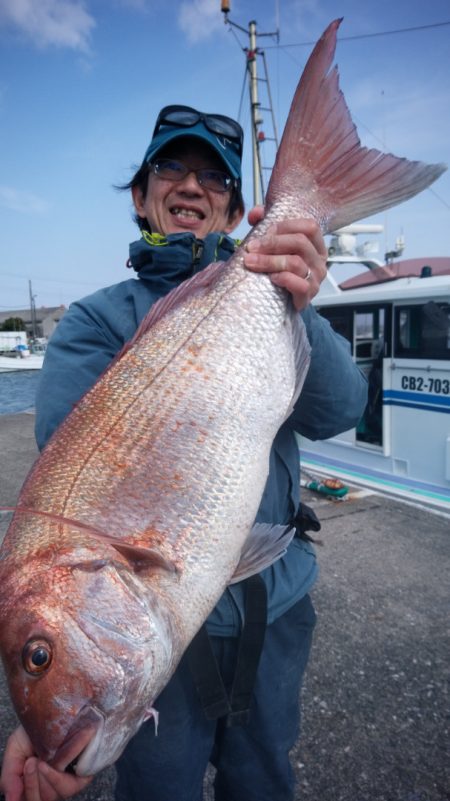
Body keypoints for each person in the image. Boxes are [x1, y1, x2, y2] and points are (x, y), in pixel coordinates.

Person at [0, 105, 368, 801]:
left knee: (265, 778)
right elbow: (67, 471)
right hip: (167, 646)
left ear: (231, 210)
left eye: (214, 178)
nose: (192, 186)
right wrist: (50, 726)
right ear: (141, 196)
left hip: (277, 608)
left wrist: (297, 297)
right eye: (171, 167)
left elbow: (341, 410)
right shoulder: (94, 320)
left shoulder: (274, 297)